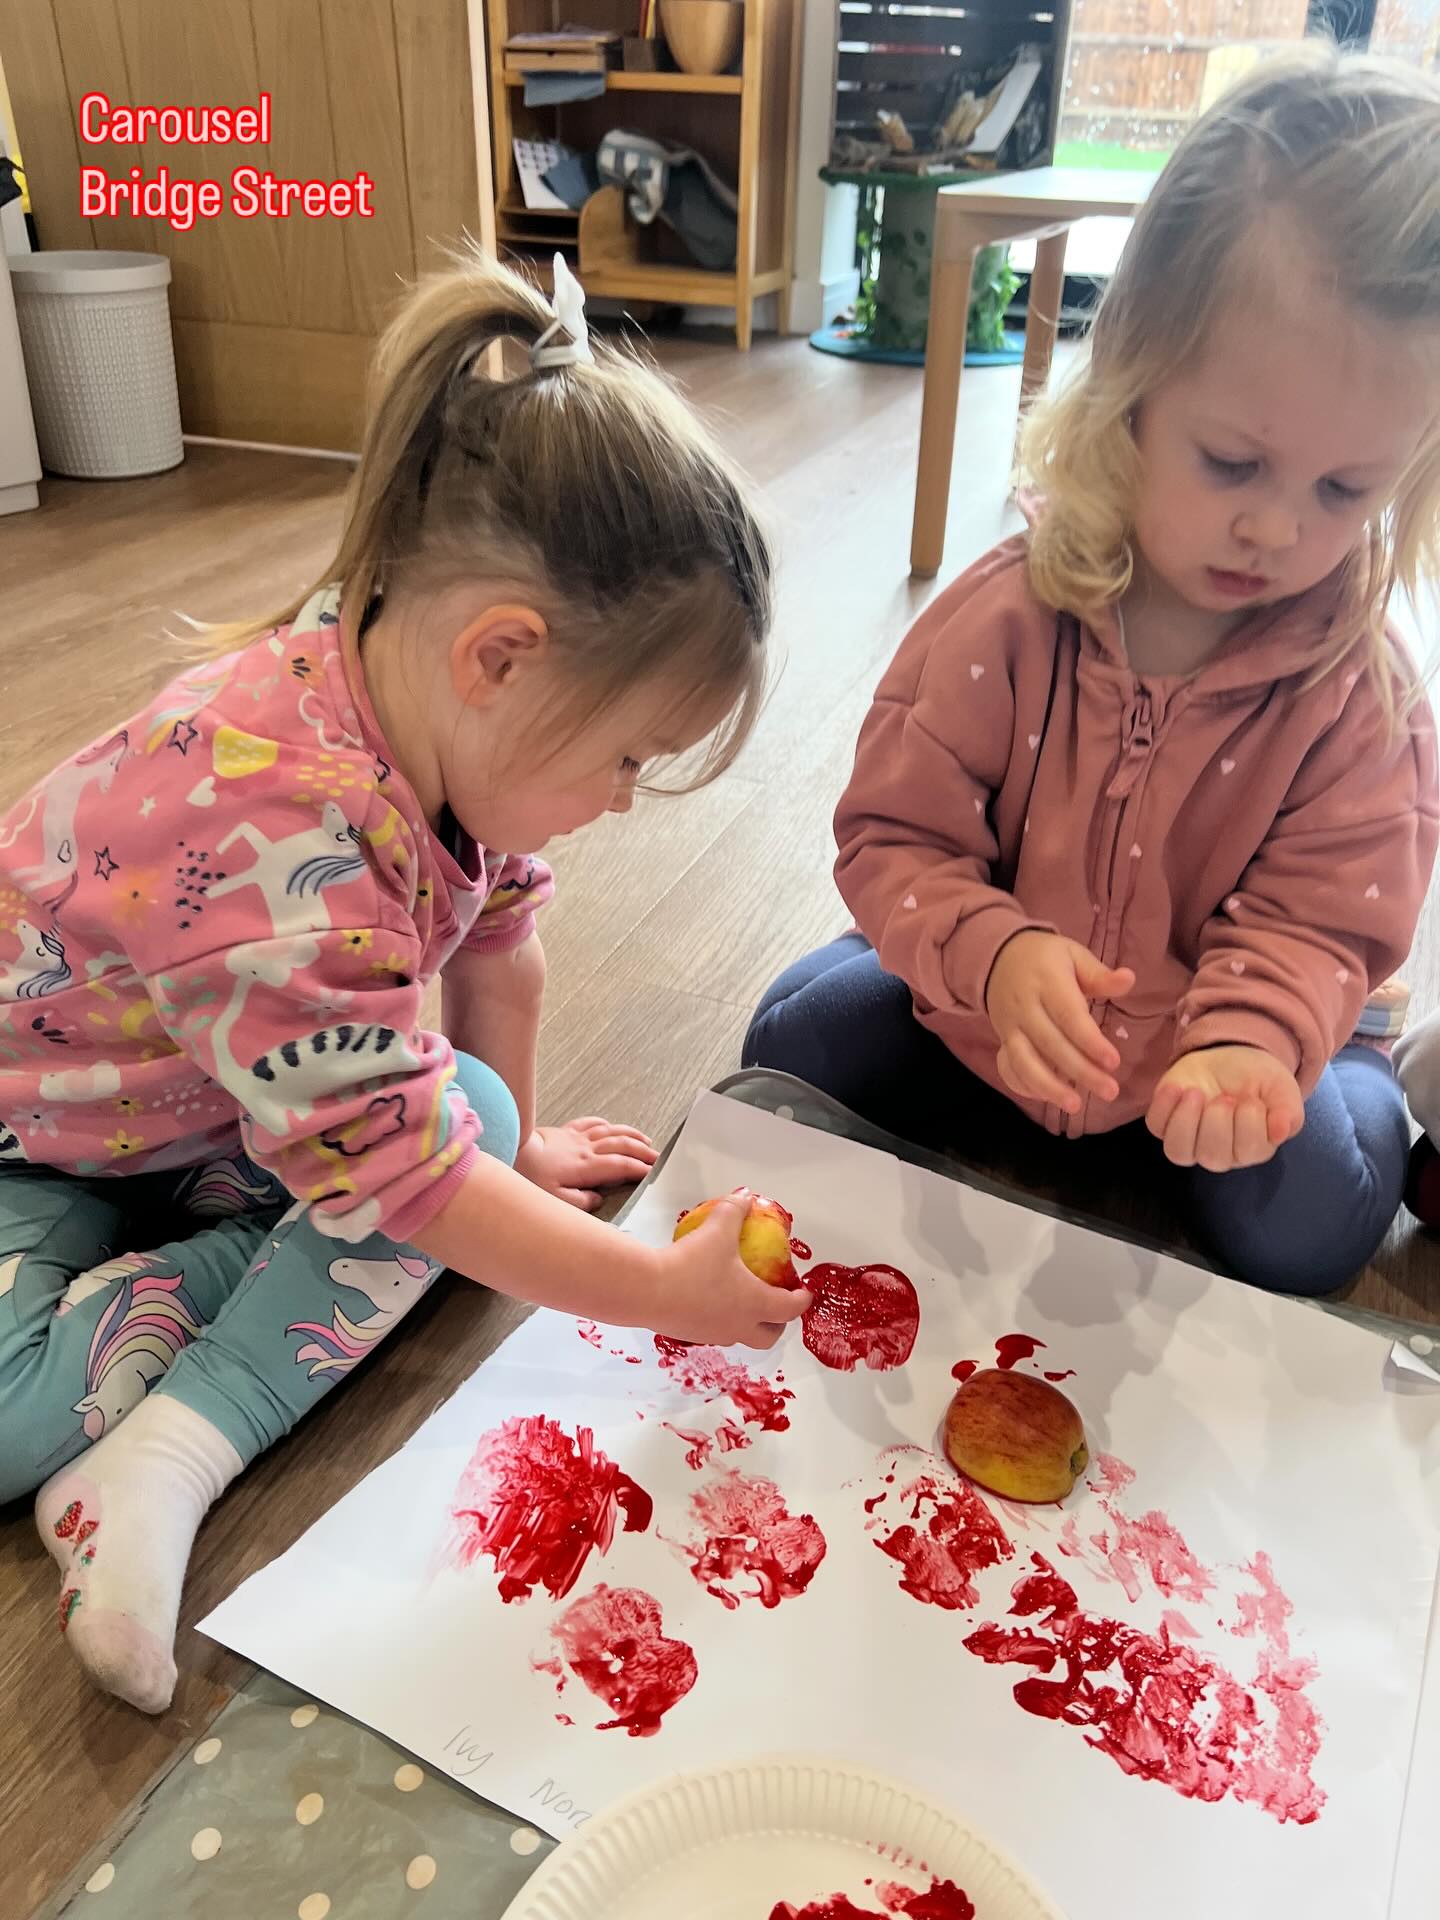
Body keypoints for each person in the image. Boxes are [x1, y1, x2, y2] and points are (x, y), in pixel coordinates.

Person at [0, 251, 806, 1714]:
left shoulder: (435, 726)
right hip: (35, 1133)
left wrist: (517, 1144)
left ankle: (152, 1464)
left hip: (209, 1126)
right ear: (501, 655)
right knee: (4, 1424)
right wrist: (651, 1295)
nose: (626, 800)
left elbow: (503, 943)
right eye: (627, 757)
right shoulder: (276, 839)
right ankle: (184, 1429)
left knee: (468, 1141)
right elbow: (418, 1190)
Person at [746, 47, 1440, 1298]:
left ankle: (1344, 1076)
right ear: (1128, 386)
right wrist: (995, 953)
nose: (1279, 529)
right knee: (787, 1053)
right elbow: (892, 838)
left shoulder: (1357, 692)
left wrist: (1252, 1047)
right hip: (1001, 1030)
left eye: (1347, 491)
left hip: (1217, 1060)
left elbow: (1326, 919)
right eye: (1232, 462)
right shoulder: (1008, 616)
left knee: (1314, 1227)